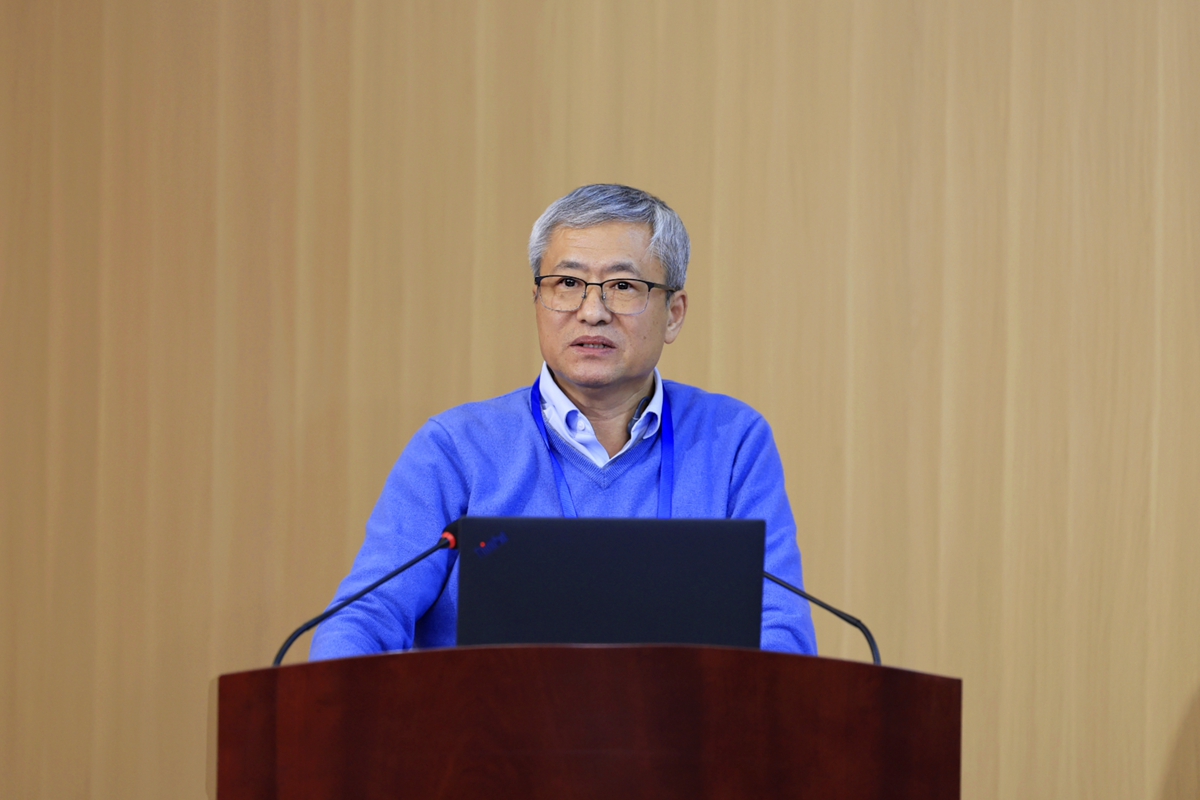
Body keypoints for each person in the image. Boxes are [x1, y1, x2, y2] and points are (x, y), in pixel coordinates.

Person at [310, 184, 817, 659]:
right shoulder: (456, 448)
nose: (592, 311)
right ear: (537, 299)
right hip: (490, 725)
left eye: (623, 285)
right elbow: (365, 617)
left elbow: (781, 632)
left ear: (674, 314)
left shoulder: (732, 441)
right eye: (568, 283)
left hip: (685, 724)